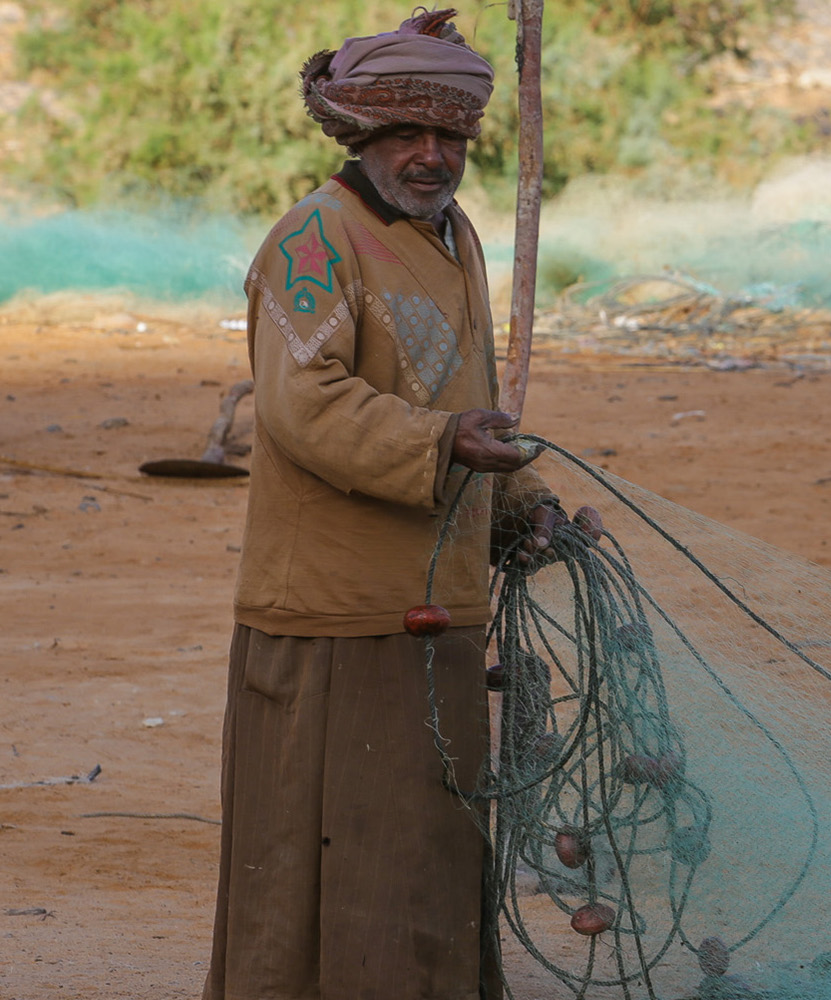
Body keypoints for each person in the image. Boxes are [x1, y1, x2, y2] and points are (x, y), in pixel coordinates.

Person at [204, 10, 560, 998]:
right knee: (324, 876)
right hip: (330, 620)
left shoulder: (458, 239)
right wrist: (443, 443)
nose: (433, 155)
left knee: (422, 859)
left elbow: (466, 391)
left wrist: (526, 501)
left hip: (437, 612)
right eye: (410, 133)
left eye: (451, 136)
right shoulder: (315, 238)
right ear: (359, 135)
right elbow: (303, 405)